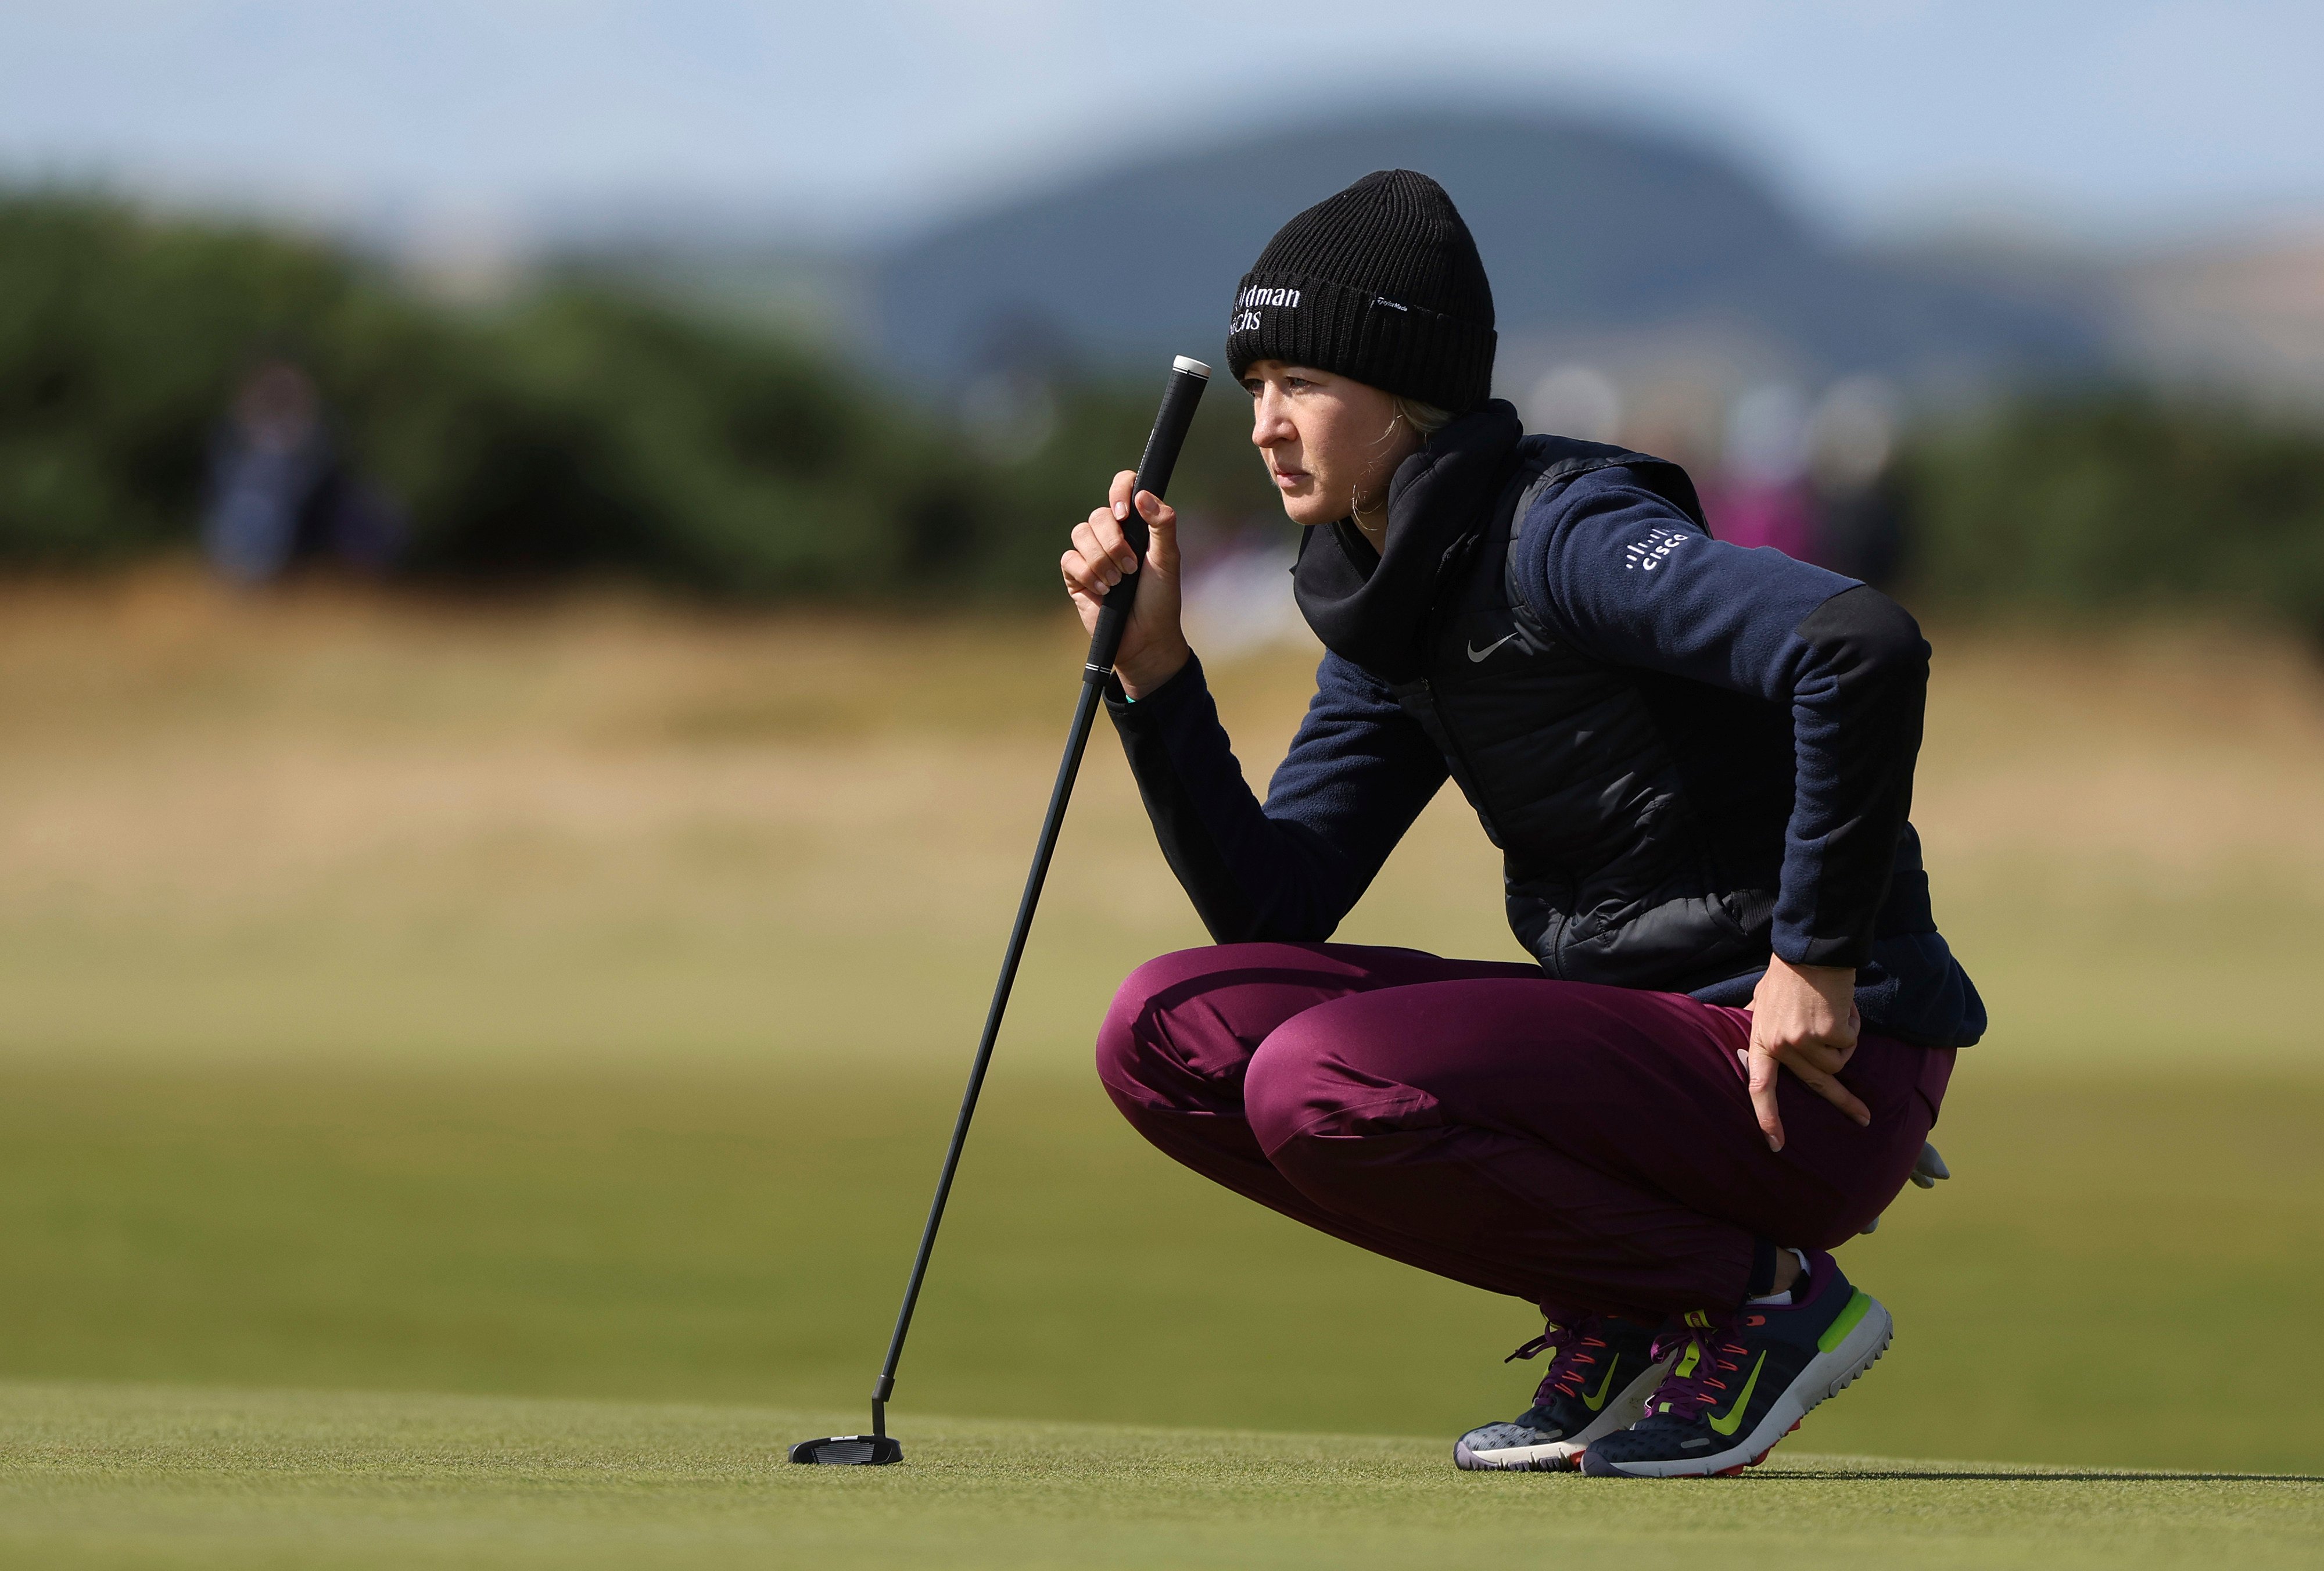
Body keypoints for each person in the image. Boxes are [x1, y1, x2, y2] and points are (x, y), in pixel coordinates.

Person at [1059, 171, 1983, 1479]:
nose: (1264, 424)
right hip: (1646, 1067)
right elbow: (1272, 906)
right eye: (1252, 382)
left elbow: (1856, 643)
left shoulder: (1566, 531)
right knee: (1166, 1031)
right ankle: (1630, 1299)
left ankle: (1766, 1299)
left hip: (1810, 1066)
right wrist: (1156, 675)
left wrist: (1815, 956)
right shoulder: (1391, 602)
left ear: (1407, 391)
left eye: (1302, 383)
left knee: (1317, 1076)